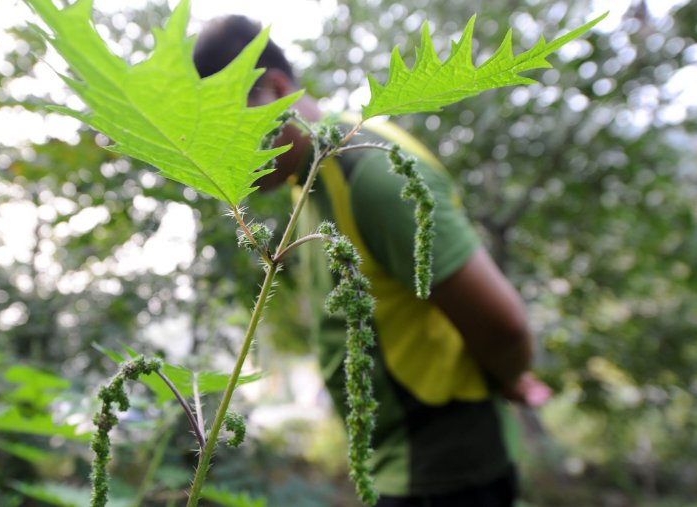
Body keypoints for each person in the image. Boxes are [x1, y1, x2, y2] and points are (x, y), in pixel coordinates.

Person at [193, 15, 549, 507]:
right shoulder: (313, 183)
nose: (222, 156)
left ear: (276, 89)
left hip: (446, 473)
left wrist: (511, 375)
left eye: (231, 132)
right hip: (401, 467)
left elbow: (504, 327)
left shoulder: (373, 174)